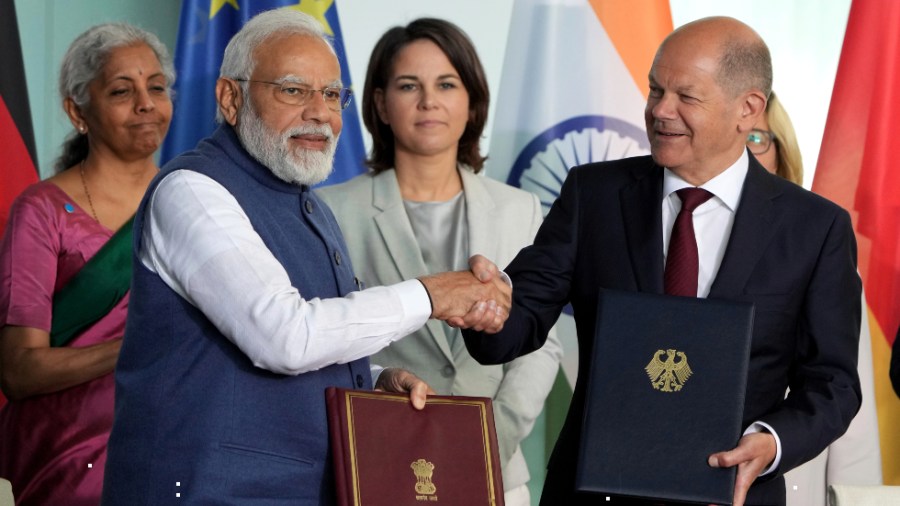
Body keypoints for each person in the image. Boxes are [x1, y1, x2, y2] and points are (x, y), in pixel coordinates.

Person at [101, 10, 509, 505]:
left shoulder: (310, 202)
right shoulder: (192, 191)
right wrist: (431, 295)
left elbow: (309, 343)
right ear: (231, 98)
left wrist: (373, 379)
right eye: (293, 91)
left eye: (332, 95)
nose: (320, 112)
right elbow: (285, 336)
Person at [463, 17, 861, 506]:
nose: (660, 111)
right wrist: (487, 307)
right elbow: (517, 322)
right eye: (655, 90)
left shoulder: (815, 228)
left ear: (749, 109)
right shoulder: (594, 195)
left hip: (733, 493)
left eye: (686, 97)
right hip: (595, 490)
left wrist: (771, 441)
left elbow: (833, 383)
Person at [318, 18, 562, 506]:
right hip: (378, 463)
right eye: (409, 86)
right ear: (381, 104)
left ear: (471, 102)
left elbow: (542, 344)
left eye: (446, 84)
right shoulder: (332, 209)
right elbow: (324, 337)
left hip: (495, 467)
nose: (429, 101)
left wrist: (489, 438)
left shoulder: (520, 208)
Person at [0, 23, 173, 506]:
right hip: (69, 459)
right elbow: (18, 369)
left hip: (175, 444)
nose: (145, 103)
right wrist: (138, 347)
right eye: (122, 90)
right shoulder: (42, 211)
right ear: (78, 112)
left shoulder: (194, 204)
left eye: (156, 87)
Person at [749, 91, 883, 506]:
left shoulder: (822, 248)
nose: (744, 151)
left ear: (781, 152)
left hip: (792, 477)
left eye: (757, 137)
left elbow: (847, 405)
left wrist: (855, 498)